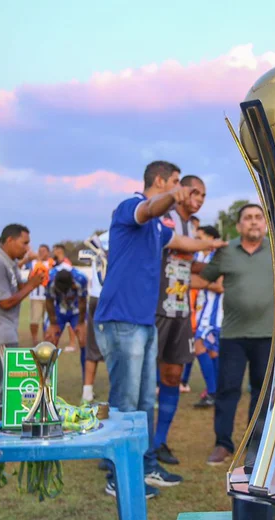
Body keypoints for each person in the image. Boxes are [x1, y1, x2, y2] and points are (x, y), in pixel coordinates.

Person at [94, 160, 224, 497]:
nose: (180, 189)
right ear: (162, 180)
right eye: (177, 182)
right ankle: (117, 474)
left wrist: (217, 247)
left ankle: (145, 465)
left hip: (143, 320)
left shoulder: (157, 229)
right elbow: (150, 207)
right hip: (121, 319)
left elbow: (182, 243)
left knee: (143, 400)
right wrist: (172, 197)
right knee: (124, 399)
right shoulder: (132, 208)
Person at [200, 204, 274, 466]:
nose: (253, 222)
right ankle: (223, 444)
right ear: (239, 225)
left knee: (262, 392)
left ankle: (257, 444)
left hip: (269, 335)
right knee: (227, 390)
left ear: (265, 223)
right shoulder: (226, 251)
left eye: (258, 217)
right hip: (233, 335)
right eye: (248, 218)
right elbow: (204, 277)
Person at [153, 175, 208, 466]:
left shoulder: (191, 226)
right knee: (142, 379)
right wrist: (208, 246)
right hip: (155, 307)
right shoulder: (166, 217)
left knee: (173, 375)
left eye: (203, 196)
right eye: (195, 192)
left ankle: (160, 441)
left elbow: (188, 263)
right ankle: (134, 441)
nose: (198, 199)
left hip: (181, 308)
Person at [0, 224, 45, 405]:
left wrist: (31, 281)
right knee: (7, 380)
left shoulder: (9, 261)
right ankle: (2, 416)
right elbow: (5, 302)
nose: (27, 248)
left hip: (4, 329)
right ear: (10, 240)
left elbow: (18, 289)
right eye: (24, 243)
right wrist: (31, 285)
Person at [192, 226, 225, 409]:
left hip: (213, 313)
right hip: (202, 311)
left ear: (211, 238)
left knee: (200, 346)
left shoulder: (216, 258)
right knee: (212, 351)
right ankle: (218, 390)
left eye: (200, 237)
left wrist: (199, 283)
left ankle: (213, 392)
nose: (197, 240)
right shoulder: (199, 258)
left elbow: (220, 287)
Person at [46, 264, 89, 371]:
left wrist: (81, 323)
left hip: (76, 311)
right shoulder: (49, 279)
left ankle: (86, 383)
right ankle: (45, 380)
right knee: (50, 341)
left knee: (84, 340)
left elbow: (82, 302)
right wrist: (53, 324)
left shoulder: (81, 279)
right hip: (58, 310)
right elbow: (49, 301)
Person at [82, 232, 108, 402]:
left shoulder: (100, 239)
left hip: (94, 296)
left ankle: (87, 391)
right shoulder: (125, 236)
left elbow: (84, 256)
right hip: (111, 297)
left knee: (92, 346)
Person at [26, 244, 53, 346]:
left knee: (47, 320)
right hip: (36, 296)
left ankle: (47, 339)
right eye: (39, 251)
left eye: (43, 251)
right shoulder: (33, 263)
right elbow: (29, 278)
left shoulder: (52, 263)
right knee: (34, 319)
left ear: (48, 252)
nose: (41, 253)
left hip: (49, 296)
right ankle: (35, 339)